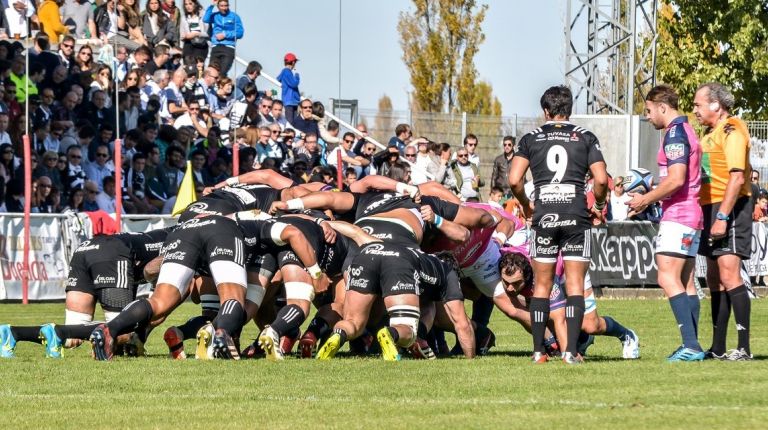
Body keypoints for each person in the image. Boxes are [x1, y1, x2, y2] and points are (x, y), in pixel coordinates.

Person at [508, 85, 608, 364]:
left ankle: (539, 351)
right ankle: (570, 352)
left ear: (545, 111)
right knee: (575, 284)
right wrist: (598, 207)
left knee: (542, 286)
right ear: (570, 110)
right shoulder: (586, 137)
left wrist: (527, 205)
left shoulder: (530, 138)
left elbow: (515, 179)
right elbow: (601, 180)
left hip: (544, 217)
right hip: (577, 215)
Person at [0, 228, 170, 358]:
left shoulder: (175, 233)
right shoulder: (181, 242)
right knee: (119, 331)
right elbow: (159, 303)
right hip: (113, 252)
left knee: (72, 337)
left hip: (86, 249)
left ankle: (13, 333)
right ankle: (57, 331)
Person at [627, 84, 704, 361]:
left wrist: (645, 199)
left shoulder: (674, 134)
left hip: (679, 215)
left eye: (648, 111)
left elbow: (676, 179)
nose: (647, 117)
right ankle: (693, 345)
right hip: (691, 215)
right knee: (686, 282)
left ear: (662, 107)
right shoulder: (687, 130)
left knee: (666, 276)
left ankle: (691, 345)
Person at [692, 82, 753, 361]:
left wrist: (721, 216)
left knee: (730, 274)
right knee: (715, 279)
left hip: (730, 206)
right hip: (710, 207)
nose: (695, 110)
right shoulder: (709, 134)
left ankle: (743, 347)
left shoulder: (732, 129)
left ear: (716, 105)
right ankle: (717, 348)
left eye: (698, 105)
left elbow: (737, 176)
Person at [203, 0, 243, 76]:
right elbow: (205, 19)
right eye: (222, 6)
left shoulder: (235, 16)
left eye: (226, 5)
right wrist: (212, 5)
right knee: (211, 72)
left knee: (222, 73)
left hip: (228, 48)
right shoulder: (215, 15)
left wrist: (225, 34)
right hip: (216, 47)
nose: (224, 8)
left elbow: (240, 33)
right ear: (218, 6)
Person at [277, 53, 300, 120]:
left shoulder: (285, 72)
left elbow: (278, 78)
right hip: (290, 101)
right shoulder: (287, 72)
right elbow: (294, 84)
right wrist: (297, 76)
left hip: (290, 101)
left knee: (293, 123)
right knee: (291, 123)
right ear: (293, 62)